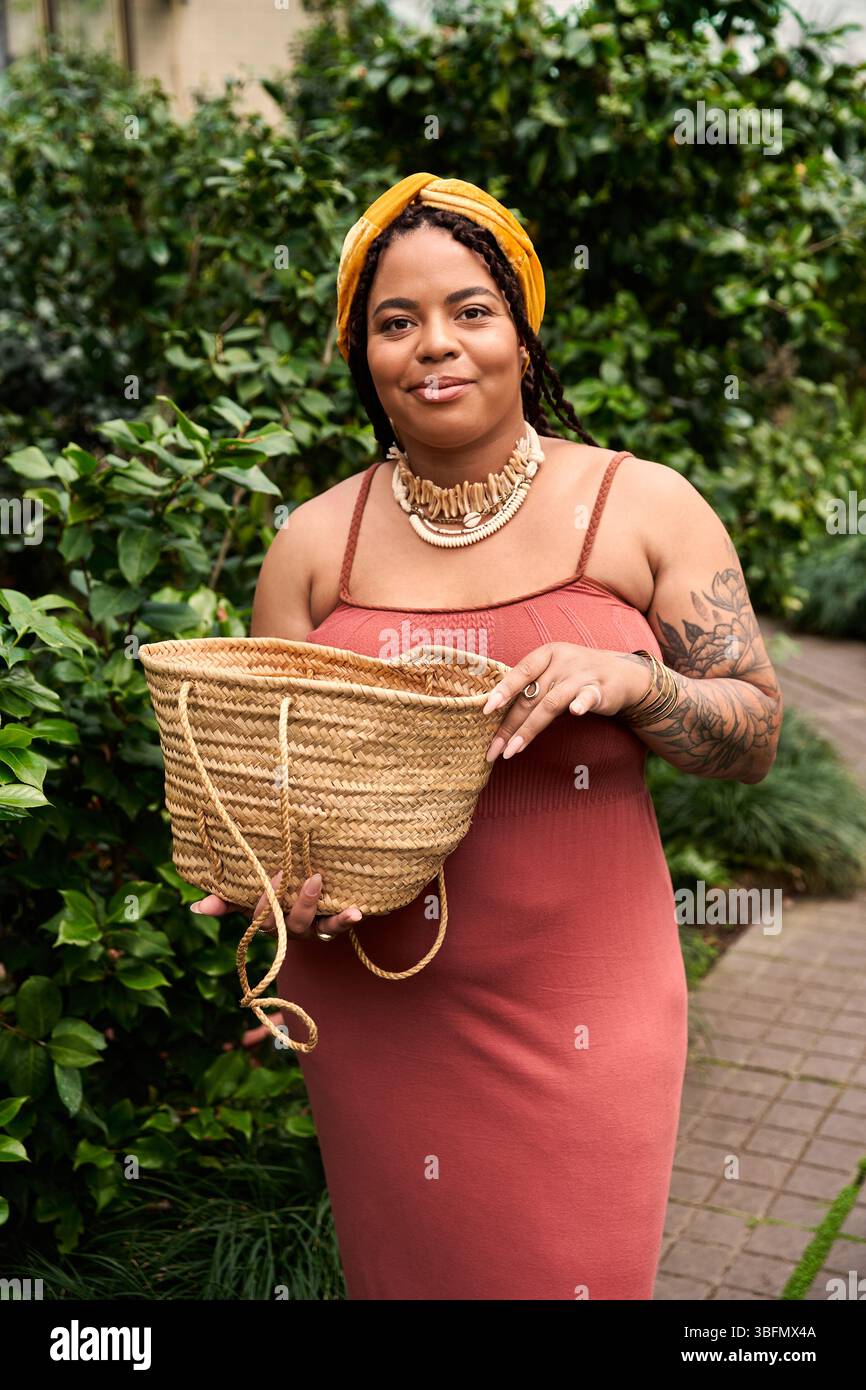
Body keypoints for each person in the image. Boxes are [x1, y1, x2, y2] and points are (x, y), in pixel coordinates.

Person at [190, 173, 784, 1299]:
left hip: (583, 1002)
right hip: (370, 993)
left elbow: (749, 735)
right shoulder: (314, 547)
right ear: (361, 353)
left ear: (520, 326)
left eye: (469, 309)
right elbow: (273, 792)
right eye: (394, 321)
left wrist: (631, 682)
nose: (434, 346)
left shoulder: (640, 506)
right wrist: (277, 894)